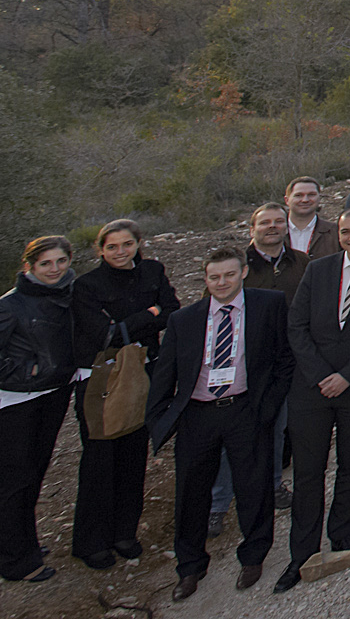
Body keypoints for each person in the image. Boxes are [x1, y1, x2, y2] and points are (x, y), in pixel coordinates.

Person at [148, 245, 294, 599]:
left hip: (246, 409)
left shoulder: (268, 305)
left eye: (229, 275)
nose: (222, 282)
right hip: (199, 413)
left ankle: (253, 556)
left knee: (254, 487)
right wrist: (160, 418)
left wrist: (267, 408)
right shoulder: (184, 320)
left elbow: (284, 360)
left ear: (243, 272)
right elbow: (164, 374)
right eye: (214, 277)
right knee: (191, 494)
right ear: (205, 278)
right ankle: (190, 567)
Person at [279, 207, 350, 592]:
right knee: (309, 472)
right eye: (346, 232)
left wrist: (347, 376)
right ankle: (302, 553)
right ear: (338, 234)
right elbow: (297, 326)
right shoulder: (319, 269)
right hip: (311, 387)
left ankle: (342, 534)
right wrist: (320, 375)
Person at [70, 220, 178, 571]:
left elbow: (173, 312)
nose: (120, 252)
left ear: (138, 243)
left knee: (133, 458)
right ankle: (91, 543)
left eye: (127, 244)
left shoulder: (153, 271)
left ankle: (124, 534)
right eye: (112, 246)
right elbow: (104, 336)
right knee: (100, 460)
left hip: (145, 376)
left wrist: (132, 323)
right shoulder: (86, 286)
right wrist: (150, 313)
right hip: (103, 380)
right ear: (100, 249)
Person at [0, 235, 77, 584]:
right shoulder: (10, 305)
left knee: (33, 476)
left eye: (61, 261)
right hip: (18, 402)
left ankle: (20, 542)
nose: (55, 269)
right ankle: (17, 562)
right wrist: (29, 372)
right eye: (46, 263)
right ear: (28, 266)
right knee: (15, 480)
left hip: (52, 394)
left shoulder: (66, 295)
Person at [223, 203, 303, 525]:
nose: (272, 227)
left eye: (278, 222)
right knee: (233, 434)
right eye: (265, 222)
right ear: (252, 228)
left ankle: (273, 487)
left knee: (277, 428)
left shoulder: (302, 263)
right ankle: (219, 502)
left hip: (287, 361)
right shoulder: (236, 266)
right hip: (241, 362)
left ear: (287, 226)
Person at [284, 177, 339, 259]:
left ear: (319, 198)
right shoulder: (275, 231)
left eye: (311, 195)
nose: (305, 200)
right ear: (287, 200)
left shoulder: (335, 232)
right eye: (298, 195)